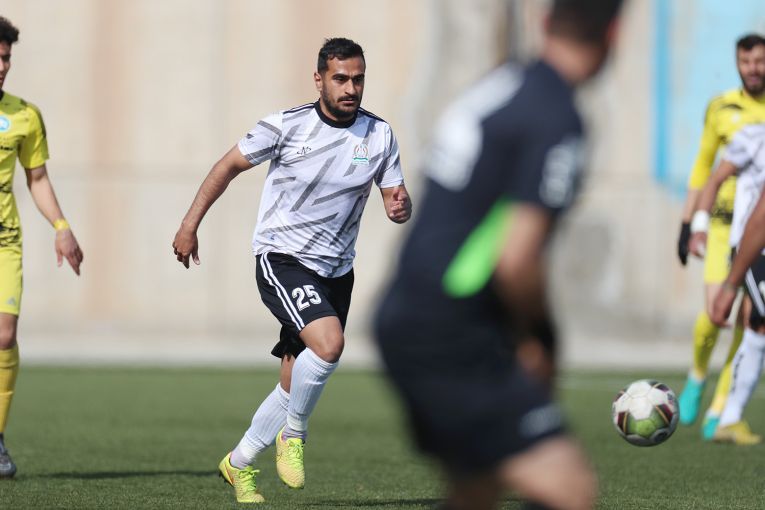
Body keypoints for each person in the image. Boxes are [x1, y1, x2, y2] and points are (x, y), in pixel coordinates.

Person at [374, 1, 622, 509]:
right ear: (613, 35)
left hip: (408, 311)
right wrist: (540, 337)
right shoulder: (557, 116)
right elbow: (517, 259)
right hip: (451, 331)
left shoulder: (502, 87)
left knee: (477, 488)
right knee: (569, 489)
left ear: (545, 21)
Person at [172, 37, 411, 504]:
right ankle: (294, 435)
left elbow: (394, 200)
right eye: (340, 78)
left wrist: (401, 208)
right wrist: (189, 224)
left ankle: (238, 463)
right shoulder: (285, 126)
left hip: (336, 271)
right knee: (329, 344)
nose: (351, 88)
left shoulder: (379, 134)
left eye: (358, 79)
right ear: (319, 79)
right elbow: (227, 166)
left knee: (293, 378)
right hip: (281, 258)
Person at [0, 17, 84, 479]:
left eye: (6, 58)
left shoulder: (24, 115)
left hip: (4, 241)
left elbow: (37, 178)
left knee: (4, 335)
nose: (2, 66)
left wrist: (61, 226)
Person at [676, 34, 765, 440]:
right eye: (746, 61)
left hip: (758, 231)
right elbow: (704, 167)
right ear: (737, 63)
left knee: (751, 319)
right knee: (715, 315)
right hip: (723, 225)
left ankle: (720, 411)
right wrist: (689, 223)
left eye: (759, 61)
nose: (753, 68)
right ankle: (697, 376)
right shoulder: (722, 108)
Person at [689, 122, 765, 445]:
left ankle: (728, 416)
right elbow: (714, 178)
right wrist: (697, 225)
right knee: (754, 323)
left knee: (755, 324)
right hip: (755, 247)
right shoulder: (753, 136)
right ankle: (707, 390)